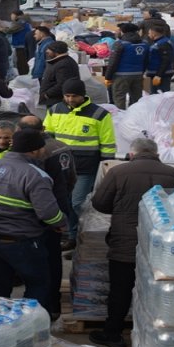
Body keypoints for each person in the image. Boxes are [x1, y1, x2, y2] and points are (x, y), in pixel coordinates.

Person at [88, 138, 174, 347]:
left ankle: (113, 334)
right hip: (161, 247)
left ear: (132, 154)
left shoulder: (117, 173)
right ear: (156, 153)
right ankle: (157, 335)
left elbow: (99, 203)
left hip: (125, 242)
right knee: (157, 291)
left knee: (120, 290)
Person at [0, 128, 65, 304]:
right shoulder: (36, 175)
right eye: (42, 148)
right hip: (21, 241)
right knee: (38, 284)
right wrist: (61, 222)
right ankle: (29, 327)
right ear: (35, 150)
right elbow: (48, 213)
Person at [44, 79, 116, 239]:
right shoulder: (55, 110)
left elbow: (108, 143)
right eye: (67, 96)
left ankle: (79, 235)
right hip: (60, 166)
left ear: (83, 95)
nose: (70, 99)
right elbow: (48, 135)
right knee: (63, 203)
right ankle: (71, 235)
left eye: (74, 96)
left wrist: (105, 166)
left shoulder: (99, 114)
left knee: (77, 203)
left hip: (85, 167)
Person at [19, 114, 77, 255]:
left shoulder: (36, 152)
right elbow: (72, 175)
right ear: (43, 128)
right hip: (61, 198)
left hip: (43, 208)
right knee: (53, 250)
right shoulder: (61, 145)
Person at [105, 23, 147, 109]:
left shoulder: (120, 44)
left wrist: (108, 77)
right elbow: (146, 61)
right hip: (138, 75)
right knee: (136, 100)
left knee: (119, 99)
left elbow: (113, 62)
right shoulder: (144, 44)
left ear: (123, 31)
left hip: (121, 76)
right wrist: (141, 72)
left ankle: (121, 119)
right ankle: (134, 119)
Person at [37, 40, 79, 107]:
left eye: (49, 49)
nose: (46, 51)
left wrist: (47, 94)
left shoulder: (64, 64)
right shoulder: (58, 61)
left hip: (56, 102)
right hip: (53, 100)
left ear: (56, 51)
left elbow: (63, 84)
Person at [144, 25, 174, 95]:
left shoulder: (164, 43)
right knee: (152, 95)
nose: (148, 35)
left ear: (153, 33)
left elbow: (166, 60)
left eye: (149, 33)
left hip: (162, 74)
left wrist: (158, 75)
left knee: (162, 95)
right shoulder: (157, 42)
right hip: (154, 73)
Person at [6, 10, 33, 76]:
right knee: (22, 63)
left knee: (21, 64)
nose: (11, 17)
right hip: (23, 45)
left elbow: (10, 30)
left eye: (12, 15)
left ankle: (23, 78)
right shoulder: (25, 21)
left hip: (21, 46)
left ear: (17, 15)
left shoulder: (21, 22)